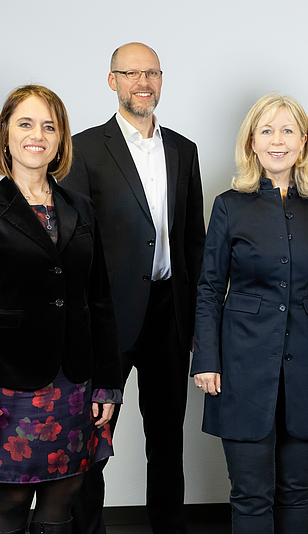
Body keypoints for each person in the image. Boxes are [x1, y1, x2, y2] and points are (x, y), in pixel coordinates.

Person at [0, 85, 122, 534]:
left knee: (64, 495)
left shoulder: (81, 208)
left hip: (75, 381)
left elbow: (99, 299)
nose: (38, 135)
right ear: (5, 134)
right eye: (25, 124)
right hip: (10, 386)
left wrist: (108, 383)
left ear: (61, 139)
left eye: (49, 126)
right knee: (9, 498)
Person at [191, 93, 308, 534]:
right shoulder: (229, 205)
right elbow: (209, 289)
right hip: (241, 367)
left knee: (298, 490)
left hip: (307, 368)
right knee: (250, 494)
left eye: (287, 131)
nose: (277, 141)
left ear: (303, 141)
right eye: (266, 131)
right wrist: (205, 360)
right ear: (252, 142)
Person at [63, 43, 205, 534]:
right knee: (93, 440)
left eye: (151, 73)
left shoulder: (184, 150)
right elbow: (75, 247)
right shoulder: (83, 149)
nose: (142, 83)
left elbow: (193, 242)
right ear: (112, 81)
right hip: (107, 317)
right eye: (131, 73)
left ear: (161, 79)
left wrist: (196, 320)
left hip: (170, 314)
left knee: (166, 440)